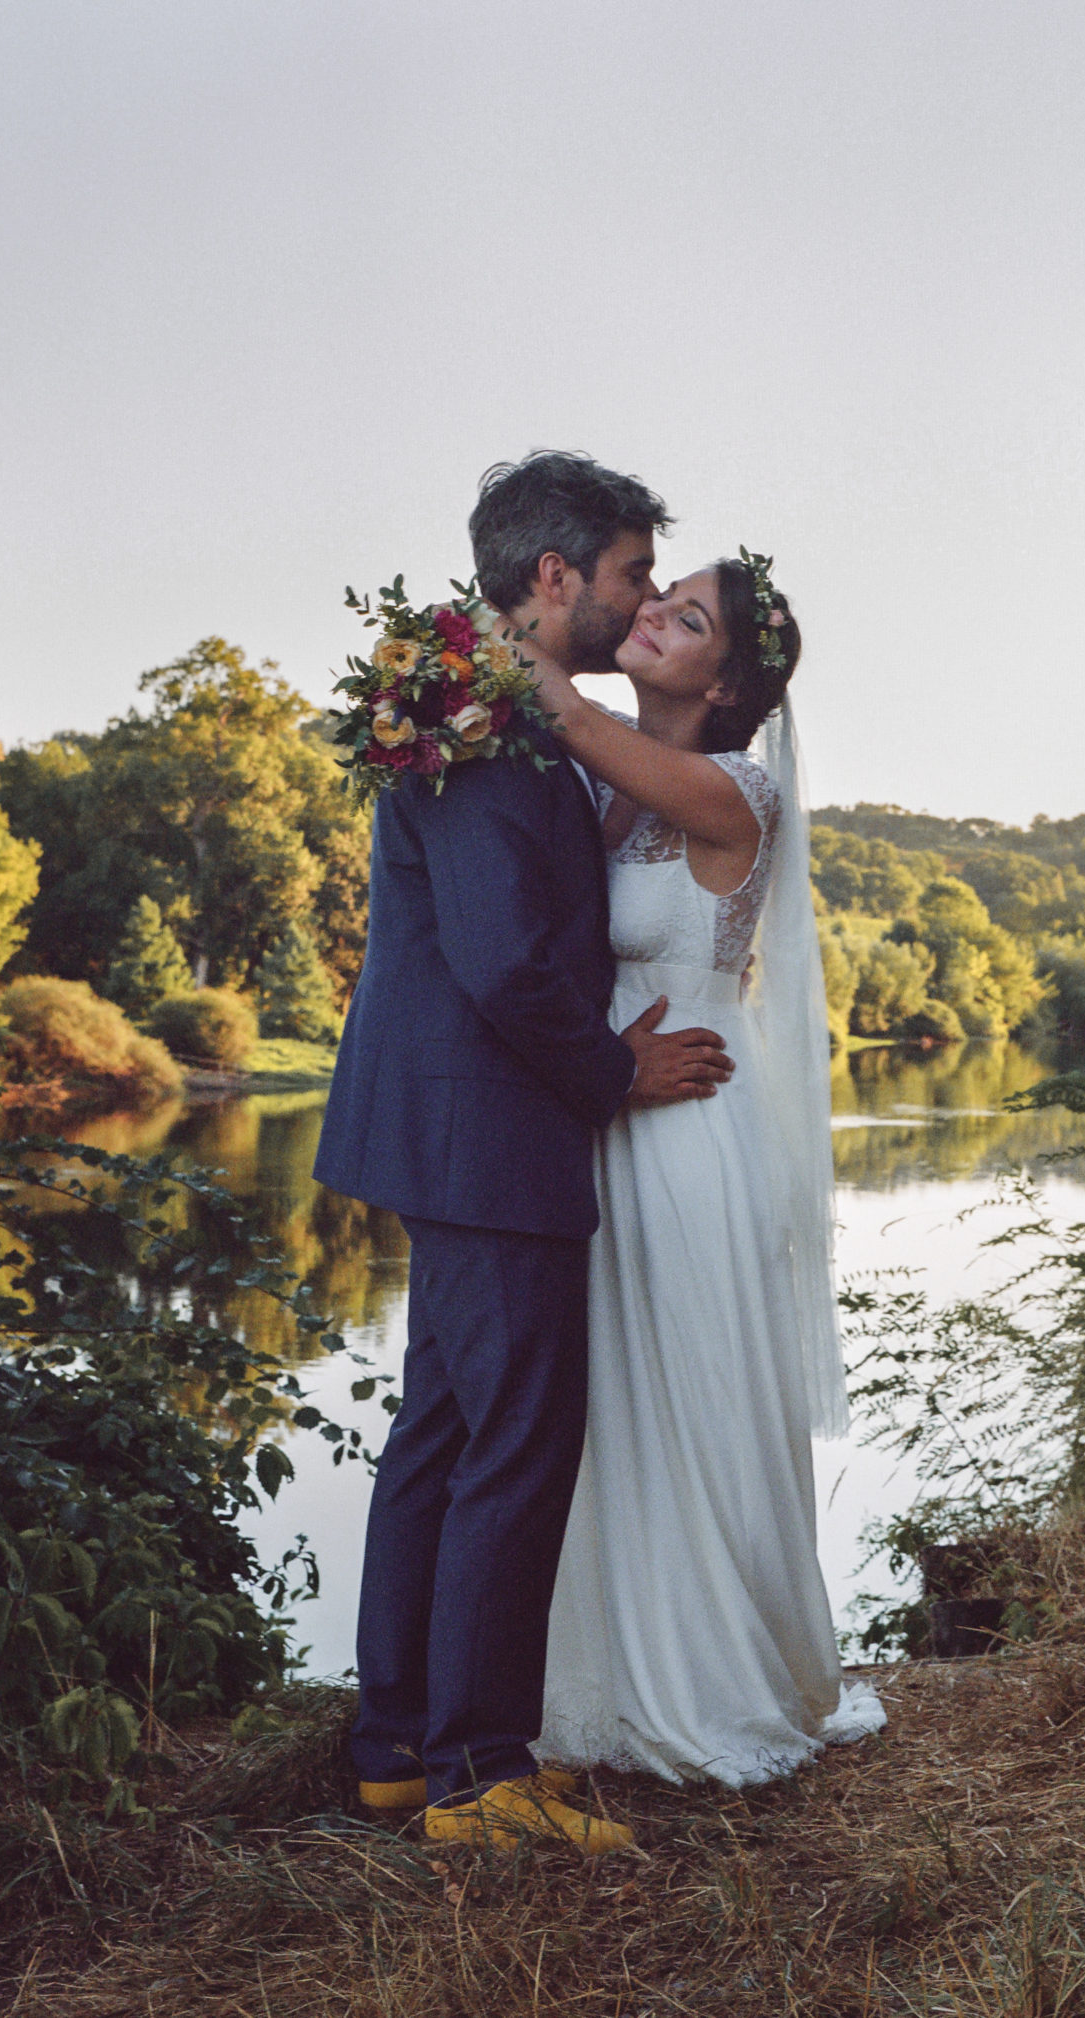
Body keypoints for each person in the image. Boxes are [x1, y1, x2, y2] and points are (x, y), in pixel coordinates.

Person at [314, 451, 734, 1856]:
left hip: (444, 1125)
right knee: (516, 1444)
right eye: (625, 575)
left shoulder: (474, 706)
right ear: (553, 578)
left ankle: (395, 1745)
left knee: (440, 1436)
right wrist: (616, 1071)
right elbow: (503, 963)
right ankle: (479, 1777)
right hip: (493, 1128)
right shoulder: (482, 727)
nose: (635, 602)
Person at [521, 553, 887, 1784]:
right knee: (608, 1399)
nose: (653, 618)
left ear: (728, 682)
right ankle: (608, 1676)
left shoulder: (732, 789)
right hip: (605, 1106)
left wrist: (473, 641)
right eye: (657, 597)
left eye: (686, 619)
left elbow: (559, 707)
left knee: (684, 1384)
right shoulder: (612, 777)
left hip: (685, 1117)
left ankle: (712, 1677)